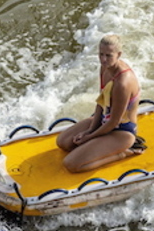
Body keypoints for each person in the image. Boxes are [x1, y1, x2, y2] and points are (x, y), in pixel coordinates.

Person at [56, 34, 145, 173]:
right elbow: (101, 101)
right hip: (105, 121)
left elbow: (114, 122)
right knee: (63, 143)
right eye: (101, 54)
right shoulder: (105, 67)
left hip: (121, 132)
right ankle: (97, 141)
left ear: (118, 54)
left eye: (108, 55)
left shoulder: (123, 83)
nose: (103, 59)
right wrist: (90, 129)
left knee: (71, 164)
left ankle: (125, 152)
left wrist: (89, 137)